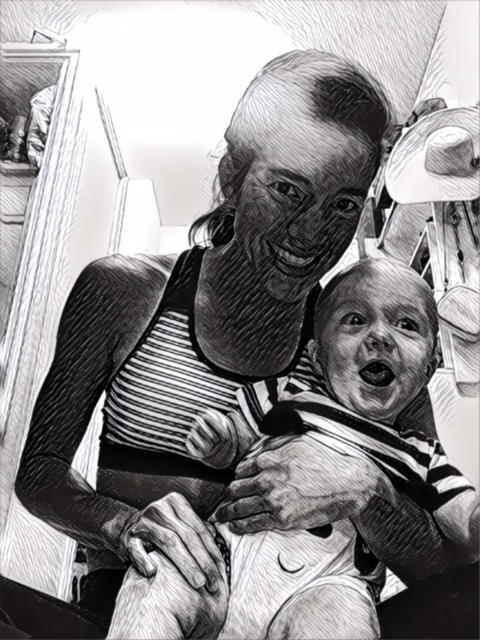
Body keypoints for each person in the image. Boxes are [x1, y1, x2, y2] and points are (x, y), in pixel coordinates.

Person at [0, 50, 470, 639]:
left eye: (344, 204)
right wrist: (121, 525)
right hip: (135, 607)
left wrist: (368, 493)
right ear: (232, 177)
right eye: (287, 190)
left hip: (304, 612)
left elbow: (444, 575)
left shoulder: (363, 349)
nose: (312, 232)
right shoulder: (124, 290)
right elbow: (40, 473)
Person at [106, 259, 478, 640]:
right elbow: (238, 438)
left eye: (407, 325)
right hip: (223, 559)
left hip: (327, 585)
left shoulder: (421, 454)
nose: (380, 336)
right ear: (318, 357)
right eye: (355, 320)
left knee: (342, 621)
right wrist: (221, 443)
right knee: (157, 576)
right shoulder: (290, 392)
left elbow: (466, 521)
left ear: (430, 366)